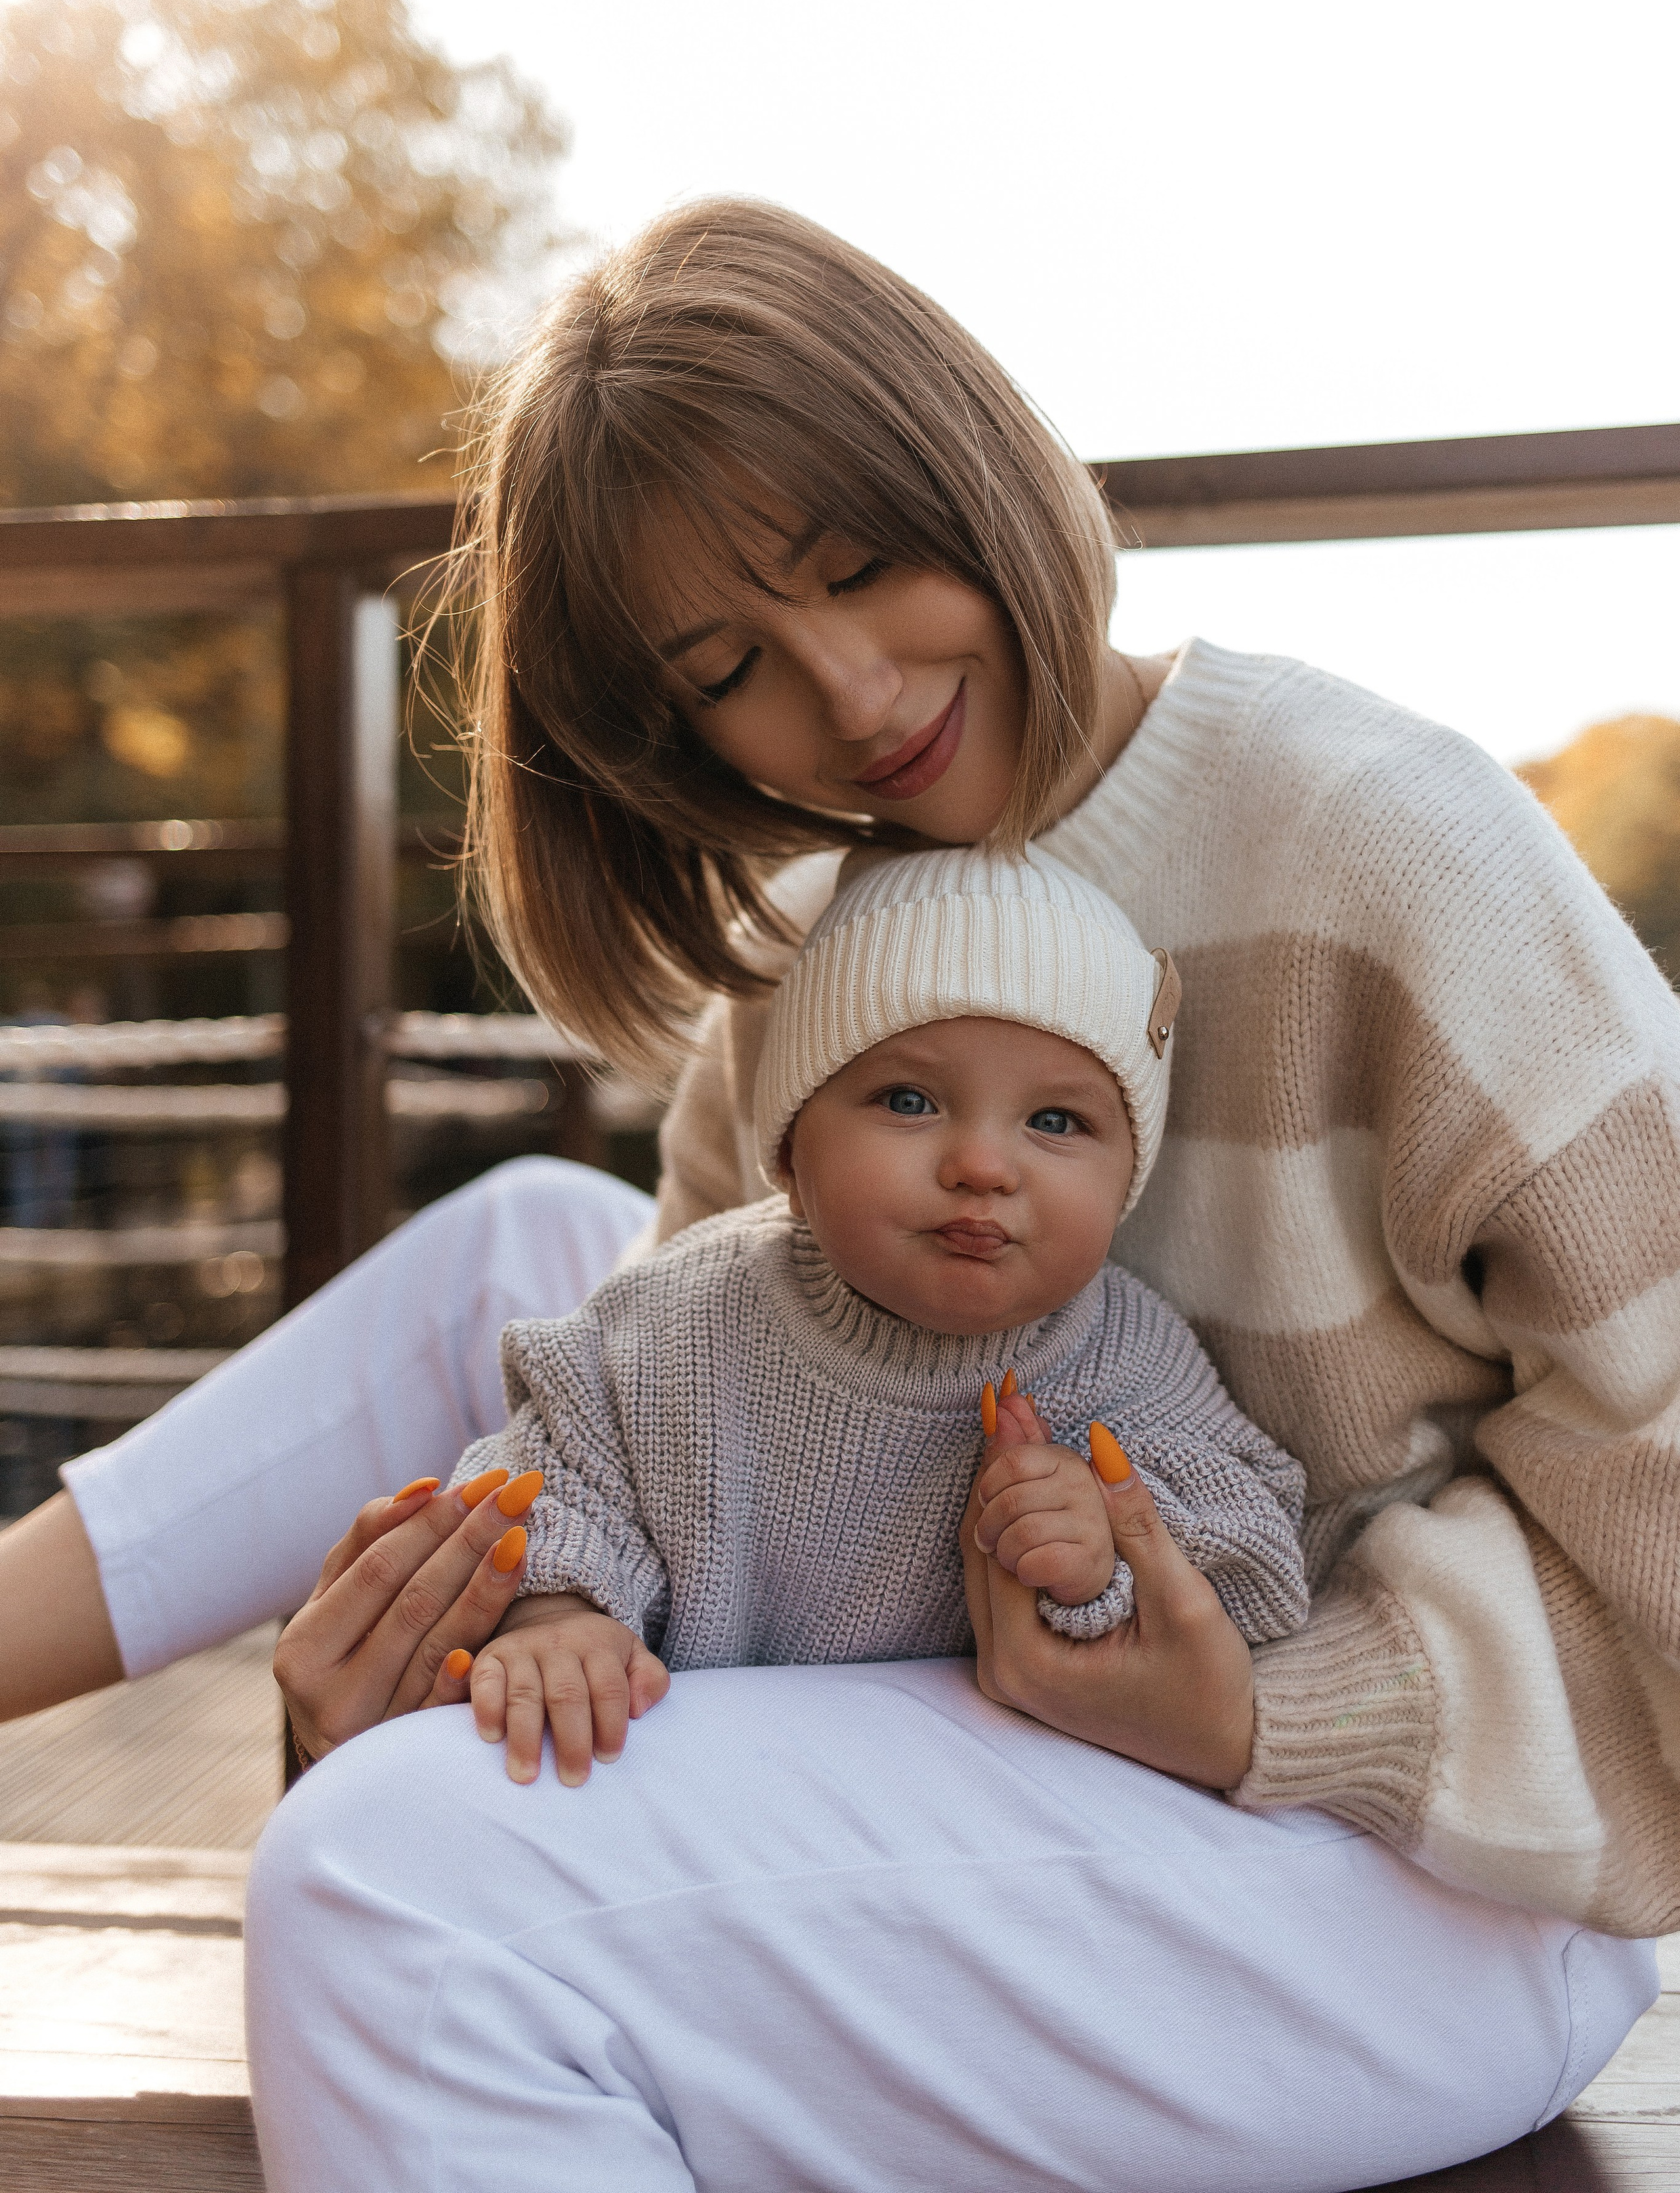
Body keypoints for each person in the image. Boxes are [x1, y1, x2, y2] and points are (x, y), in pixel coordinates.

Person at [0, 198, 1671, 2188]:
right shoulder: (813, 953)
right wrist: (477, 1656)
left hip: (1418, 1863)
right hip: (1005, 1762)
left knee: (390, 1890)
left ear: (970, 459)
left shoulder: (1391, 848)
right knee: (552, 1261)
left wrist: (1279, 1717)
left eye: (866, 568)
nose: (859, 695)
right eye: (734, 669)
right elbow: (709, 1468)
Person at [427, 845, 1309, 1787]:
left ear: (1128, 1175)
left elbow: (1260, 1552)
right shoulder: (688, 1316)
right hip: (693, 1770)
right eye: (910, 1100)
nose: (982, 1163)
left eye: (1055, 1122)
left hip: (979, 1797)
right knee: (475, 1771)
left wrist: (1108, 1558)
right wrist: (559, 1614)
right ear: (791, 1154)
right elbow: (555, 1466)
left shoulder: (1126, 1356)